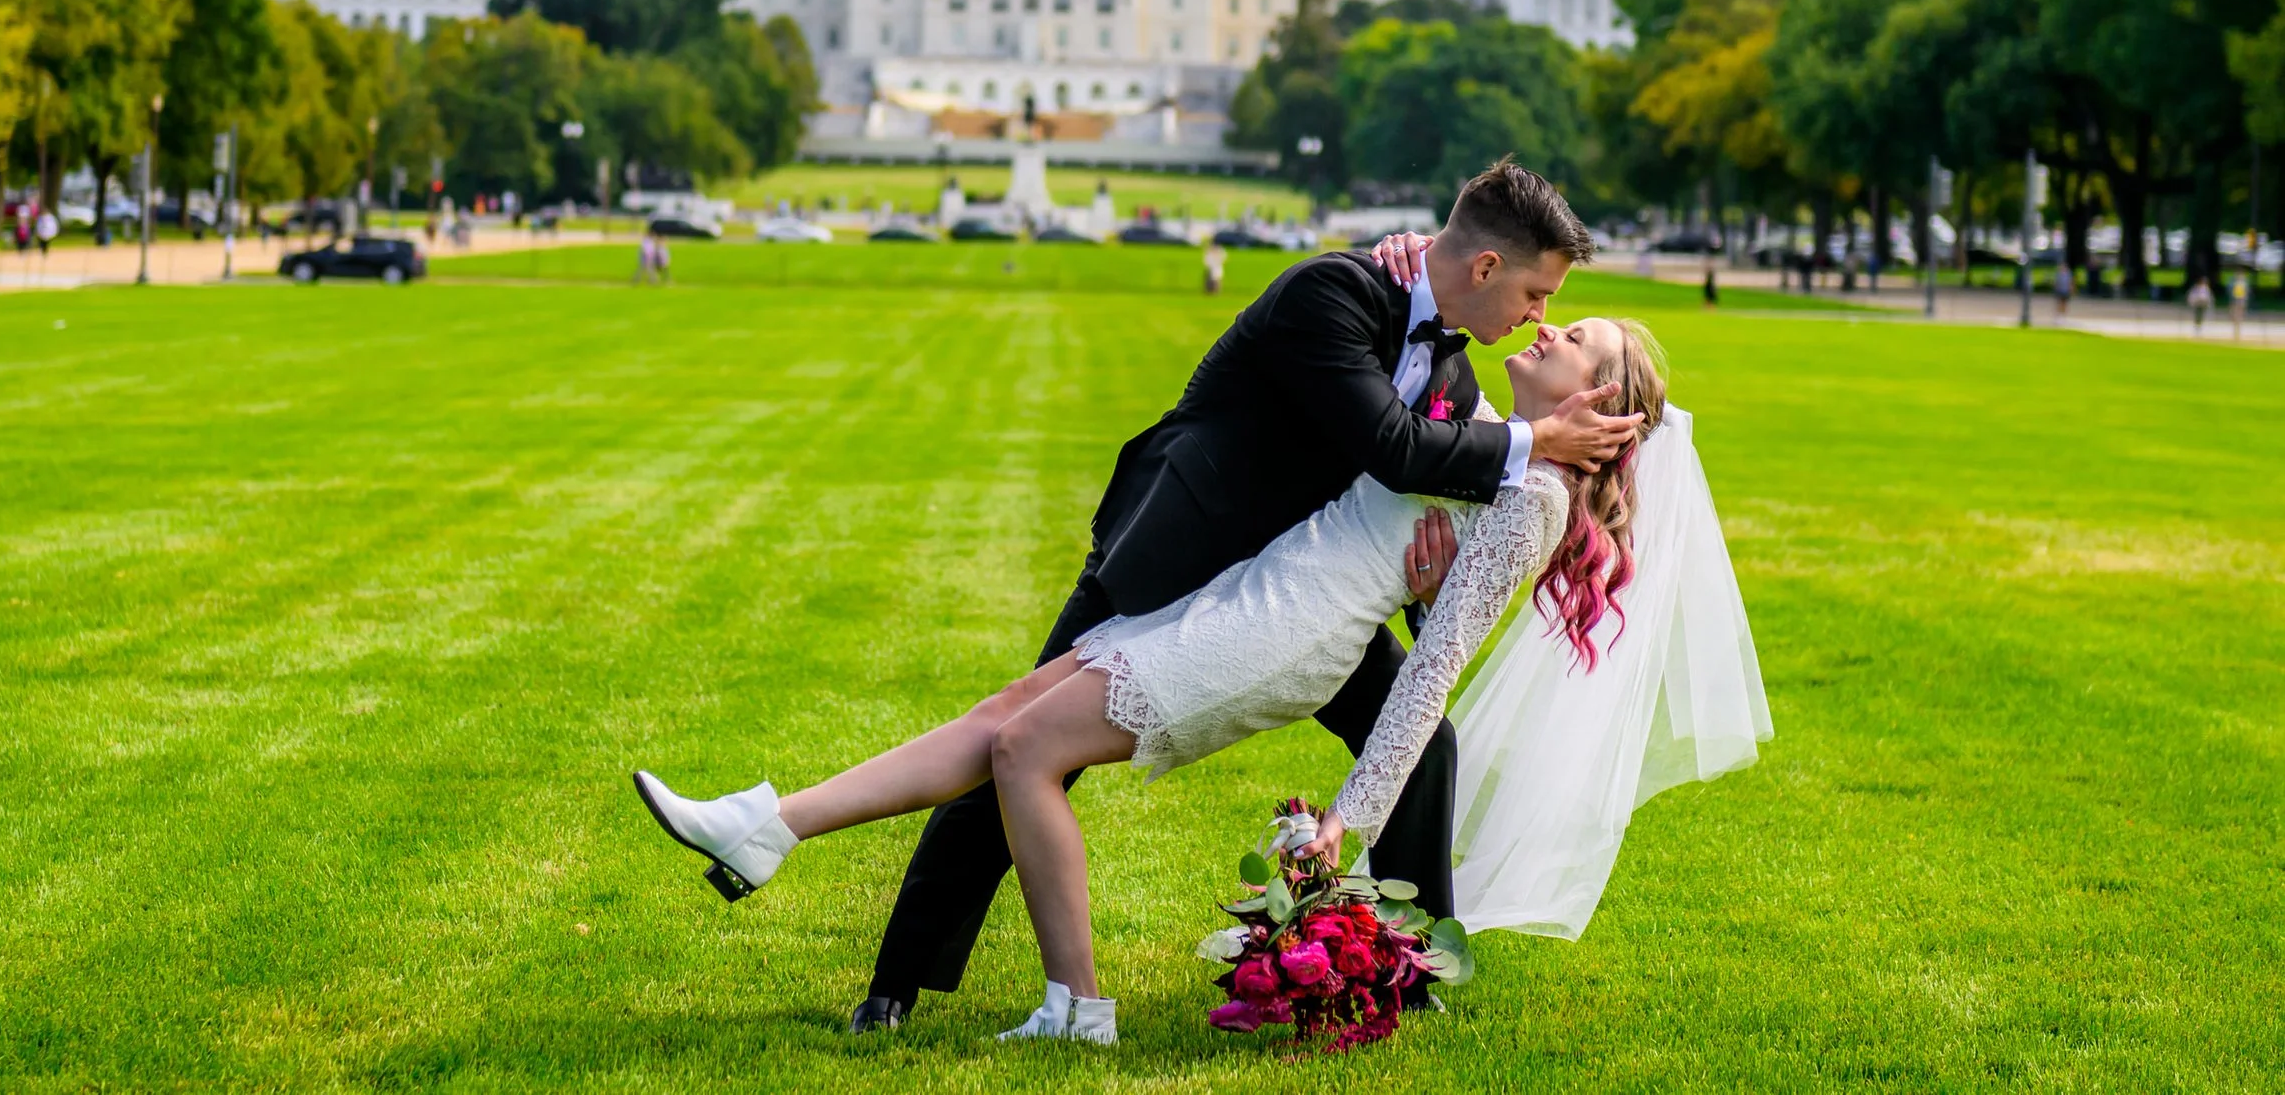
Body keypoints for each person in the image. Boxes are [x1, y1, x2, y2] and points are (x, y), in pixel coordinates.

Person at [666, 160, 1638, 1035]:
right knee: (1018, 733)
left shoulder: (1459, 371)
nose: (1538, 315)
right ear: (1481, 266)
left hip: (1295, 600)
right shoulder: (1337, 292)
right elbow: (1394, 448)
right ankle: (894, 983)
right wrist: (1531, 442)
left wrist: (1430, 577)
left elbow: (1451, 543)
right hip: (1183, 551)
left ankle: (1411, 963)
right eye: (1535, 290)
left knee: (1422, 738)